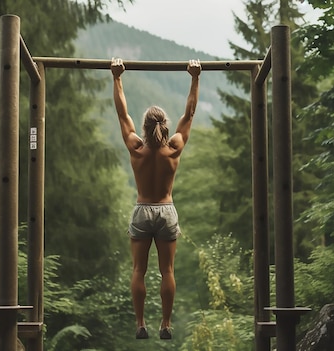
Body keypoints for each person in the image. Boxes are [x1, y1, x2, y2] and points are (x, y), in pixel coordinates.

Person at [111, 57, 201, 340]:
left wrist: (117, 77)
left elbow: (121, 113)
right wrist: (195, 78)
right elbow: (190, 113)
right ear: (164, 125)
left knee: (139, 270)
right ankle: (165, 324)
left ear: (145, 126)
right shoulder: (174, 147)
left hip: (142, 210)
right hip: (166, 210)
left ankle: (140, 324)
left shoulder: (136, 147)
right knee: (167, 271)